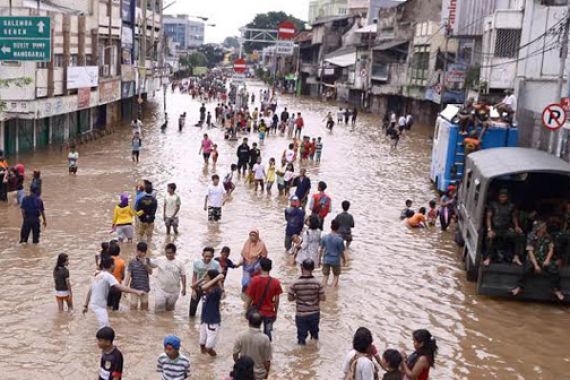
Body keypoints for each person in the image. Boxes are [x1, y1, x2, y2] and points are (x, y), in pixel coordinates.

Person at [83, 256, 143, 328]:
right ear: (111, 266)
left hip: (94, 305)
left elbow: (90, 290)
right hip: (100, 307)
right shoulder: (108, 276)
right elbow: (120, 287)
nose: (115, 266)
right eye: (114, 264)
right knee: (104, 329)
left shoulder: (98, 275)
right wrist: (136, 291)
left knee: (104, 328)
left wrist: (86, 305)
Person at [511, 222, 564, 301]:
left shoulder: (548, 237)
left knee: (554, 271)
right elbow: (530, 252)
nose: (544, 229)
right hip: (533, 259)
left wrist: (547, 260)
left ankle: (556, 290)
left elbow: (551, 249)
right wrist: (535, 265)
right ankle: (519, 287)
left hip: (544, 259)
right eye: (543, 227)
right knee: (526, 270)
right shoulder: (531, 236)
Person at [288, 259, 325, 345]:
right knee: (315, 336)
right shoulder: (318, 283)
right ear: (313, 269)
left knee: (301, 338)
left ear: (302, 267)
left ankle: (302, 357)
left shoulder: (295, 283)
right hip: (314, 313)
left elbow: (290, 298)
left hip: (301, 314)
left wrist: (297, 297)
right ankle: (315, 355)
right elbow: (323, 298)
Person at [244, 257, 283, 341]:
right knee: (267, 336)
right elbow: (276, 300)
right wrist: (275, 312)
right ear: (271, 268)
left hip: (256, 313)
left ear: (260, 267)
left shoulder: (254, 280)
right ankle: (267, 351)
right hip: (269, 313)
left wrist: (247, 310)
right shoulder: (276, 282)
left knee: (253, 334)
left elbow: (249, 298)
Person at [484, 189, 525, 266]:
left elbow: (514, 217)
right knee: (489, 237)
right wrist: (489, 229)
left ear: (507, 197)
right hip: (495, 229)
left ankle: (516, 257)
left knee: (519, 235)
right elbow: (488, 217)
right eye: (501, 197)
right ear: (498, 197)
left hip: (506, 229)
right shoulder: (493, 205)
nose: (503, 198)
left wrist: (516, 226)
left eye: (504, 197)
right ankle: (488, 257)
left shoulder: (511, 206)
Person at [233, 312, 272, 380]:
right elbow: (267, 360)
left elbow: (235, 354)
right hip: (259, 374)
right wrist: (267, 373)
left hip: (244, 373)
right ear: (261, 323)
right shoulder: (265, 339)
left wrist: (240, 365)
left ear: (249, 322)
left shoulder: (241, 336)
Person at [150, 243, 187, 312]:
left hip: (174, 291)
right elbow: (151, 264)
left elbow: (183, 276)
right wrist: (145, 260)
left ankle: (168, 322)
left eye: (170, 253)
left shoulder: (180, 263)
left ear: (174, 253)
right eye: (167, 253)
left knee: (170, 310)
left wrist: (184, 288)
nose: (168, 255)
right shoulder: (160, 260)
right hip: (160, 289)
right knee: (158, 308)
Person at [197, 269, 225, 356]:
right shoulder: (206, 286)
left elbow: (203, 288)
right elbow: (193, 286)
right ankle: (204, 363)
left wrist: (217, 279)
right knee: (202, 343)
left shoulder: (217, 290)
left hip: (213, 320)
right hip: (204, 319)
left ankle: (214, 359)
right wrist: (202, 278)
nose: (206, 277)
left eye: (207, 276)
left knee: (208, 347)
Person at [189, 247, 222, 317]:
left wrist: (222, 290)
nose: (207, 258)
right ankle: (191, 326)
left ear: (213, 256)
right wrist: (193, 291)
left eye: (209, 257)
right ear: (202, 255)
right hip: (198, 287)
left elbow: (219, 278)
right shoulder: (197, 263)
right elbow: (194, 276)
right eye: (206, 256)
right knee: (192, 311)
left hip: (210, 290)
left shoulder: (216, 264)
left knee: (208, 311)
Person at [124, 242, 152, 310]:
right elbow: (128, 275)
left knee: (144, 308)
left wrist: (145, 264)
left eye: (142, 252)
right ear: (137, 250)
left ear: (145, 252)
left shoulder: (147, 261)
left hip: (145, 288)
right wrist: (125, 288)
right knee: (133, 307)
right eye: (139, 251)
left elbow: (150, 272)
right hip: (134, 288)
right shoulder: (132, 262)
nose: (140, 253)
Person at [320, 220, 346, 287]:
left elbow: (321, 249)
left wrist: (319, 259)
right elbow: (341, 252)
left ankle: (323, 291)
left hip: (326, 259)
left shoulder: (324, 237)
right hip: (335, 260)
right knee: (336, 276)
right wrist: (344, 259)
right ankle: (332, 292)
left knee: (325, 276)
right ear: (338, 228)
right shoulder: (339, 239)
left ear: (330, 226)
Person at [135, 181, 158, 247]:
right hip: (150, 221)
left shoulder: (141, 199)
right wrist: (149, 218)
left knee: (140, 234)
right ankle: (148, 248)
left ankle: (140, 246)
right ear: (151, 191)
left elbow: (138, 210)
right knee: (149, 235)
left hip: (142, 220)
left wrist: (142, 218)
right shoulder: (154, 200)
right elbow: (154, 211)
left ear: (145, 190)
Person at [107, 244, 125, 311]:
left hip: (108, 286)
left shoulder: (106, 261)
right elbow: (123, 275)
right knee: (116, 306)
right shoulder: (121, 262)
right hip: (117, 286)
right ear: (119, 252)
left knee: (108, 304)